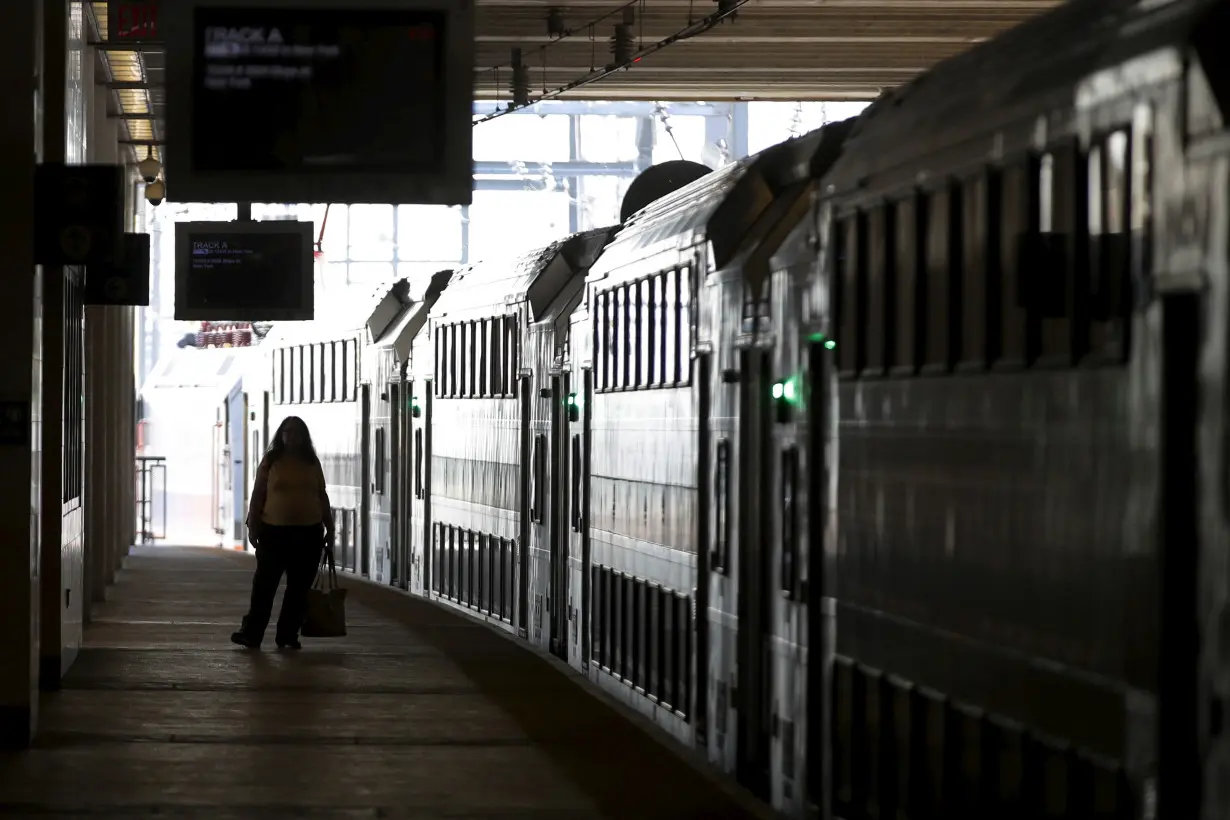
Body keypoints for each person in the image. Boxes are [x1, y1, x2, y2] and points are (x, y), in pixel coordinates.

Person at [231, 416, 336, 650]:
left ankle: (288, 634)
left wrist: (330, 527)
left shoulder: (312, 463)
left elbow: (321, 494)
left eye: (297, 432)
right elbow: (259, 494)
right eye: (288, 431)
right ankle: (252, 633)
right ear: (281, 435)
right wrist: (253, 525)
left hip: (309, 534)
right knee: (264, 586)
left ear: (304, 437)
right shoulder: (271, 461)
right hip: (273, 532)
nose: (292, 436)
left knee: (299, 589)